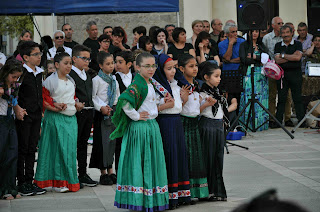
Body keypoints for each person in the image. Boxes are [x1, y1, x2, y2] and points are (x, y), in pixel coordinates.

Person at [110, 52, 169, 211]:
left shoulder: (149, 83)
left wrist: (162, 101)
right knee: (140, 162)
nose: (151, 69)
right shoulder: (138, 84)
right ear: (137, 67)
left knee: (149, 161)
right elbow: (124, 101)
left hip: (150, 126)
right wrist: (135, 116)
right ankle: (140, 200)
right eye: (147, 66)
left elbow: (149, 103)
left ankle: (147, 199)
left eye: (153, 66)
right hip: (140, 129)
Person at [34, 49, 82, 193]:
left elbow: (72, 98)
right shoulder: (50, 81)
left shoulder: (71, 80)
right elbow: (44, 100)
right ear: (56, 64)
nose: (68, 66)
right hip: (56, 119)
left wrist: (77, 103)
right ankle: (58, 182)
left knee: (69, 150)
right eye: (65, 63)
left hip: (71, 119)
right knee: (57, 150)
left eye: (70, 63)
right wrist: (55, 107)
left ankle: (67, 180)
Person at [153, 54, 191, 209]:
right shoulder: (156, 87)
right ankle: (169, 196)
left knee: (179, 156)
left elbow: (177, 106)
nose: (173, 71)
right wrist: (163, 106)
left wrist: (185, 99)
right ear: (161, 70)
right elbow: (151, 109)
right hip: (165, 124)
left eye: (174, 68)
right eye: (169, 69)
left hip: (176, 123)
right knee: (169, 156)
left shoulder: (175, 85)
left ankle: (180, 194)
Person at [16, 41, 47, 196]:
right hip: (24, 116)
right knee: (23, 148)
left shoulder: (39, 72)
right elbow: (16, 93)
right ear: (26, 57)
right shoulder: (21, 73)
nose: (39, 57)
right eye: (36, 54)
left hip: (36, 115)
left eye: (40, 54)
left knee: (32, 148)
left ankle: (30, 180)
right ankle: (21, 182)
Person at [178, 54, 209, 201]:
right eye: (191, 66)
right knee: (187, 157)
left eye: (196, 65)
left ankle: (199, 191)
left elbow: (196, 109)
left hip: (195, 124)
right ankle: (186, 191)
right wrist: (183, 100)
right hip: (184, 124)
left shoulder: (197, 85)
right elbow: (178, 108)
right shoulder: (180, 86)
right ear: (182, 69)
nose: (195, 68)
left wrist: (206, 105)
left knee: (197, 157)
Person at [199, 62, 228, 202]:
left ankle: (218, 190)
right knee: (209, 159)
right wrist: (205, 103)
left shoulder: (217, 92)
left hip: (218, 127)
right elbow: (195, 111)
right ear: (206, 77)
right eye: (216, 76)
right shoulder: (201, 93)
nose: (219, 79)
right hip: (207, 126)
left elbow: (221, 111)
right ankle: (208, 190)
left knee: (218, 158)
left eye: (219, 76)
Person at [69, 45, 98, 187]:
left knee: (83, 143)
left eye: (88, 58)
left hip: (88, 111)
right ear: (74, 59)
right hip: (76, 113)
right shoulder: (70, 74)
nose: (87, 61)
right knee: (74, 143)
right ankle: (72, 174)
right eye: (83, 58)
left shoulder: (87, 74)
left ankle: (82, 173)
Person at [89, 51, 120, 185]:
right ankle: (103, 172)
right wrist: (102, 107)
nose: (111, 66)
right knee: (103, 143)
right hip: (102, 114)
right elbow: (93, 96)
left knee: (112, 142)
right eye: (108, 64)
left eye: (112, 63)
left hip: (113, 113)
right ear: (101, 65)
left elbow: (117, 95)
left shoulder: (114, 79)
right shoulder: (96, 80)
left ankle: (111, 170)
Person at [0, 59, 26, 200]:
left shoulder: (14, 86)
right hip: (1, 120)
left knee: (12, 153)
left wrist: (19, 111)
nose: (15, 80)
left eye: (17, 77)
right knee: (2, 154)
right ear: (6, 74)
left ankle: (10, 187)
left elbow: (14, 101)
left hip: (9, 121)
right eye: (13, 76)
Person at [262, 16, 293, 128]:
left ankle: (288, 118)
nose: (281, 25)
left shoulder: (285, 37)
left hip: (285, 69)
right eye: (279, 23)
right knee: (272, 95)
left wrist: (283, 58)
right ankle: (272, 118)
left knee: (287, 95)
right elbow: (264, 54)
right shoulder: (266, 38)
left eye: (282, 23)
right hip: (272, 70)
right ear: (273, 26)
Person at [274, 25, 305, 128]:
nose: (285, 35)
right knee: (281, 99)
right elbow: (277, 61)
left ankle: (301, 122)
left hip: (296, 75)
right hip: (282, 76)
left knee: (297, 99)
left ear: (292, 33)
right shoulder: (278, 45)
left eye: (287, 32)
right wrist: (292, 56)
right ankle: (278, 122)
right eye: (283, 33)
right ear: (280, 34)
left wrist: (283, 56)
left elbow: (298, 58)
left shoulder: (298, 44)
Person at [239, 30, 269, 131]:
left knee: (261, 97)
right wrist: (259, 59)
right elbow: (244, 59)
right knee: (248, 97)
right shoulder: (243, 45)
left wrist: (255, 56)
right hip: (248, 73)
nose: (255, 33)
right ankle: (248, 124)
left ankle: (260, 124)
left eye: (257, 31)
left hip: (261, 75)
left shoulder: (261, 45)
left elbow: (266, 59)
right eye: (252, 31)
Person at [114, 51, 135, 172]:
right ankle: (119, 171)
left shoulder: (136, 78)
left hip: (134, 115)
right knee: (120, 144)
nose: (117, 64)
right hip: (121, 115)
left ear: (129, 64)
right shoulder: (114, 78)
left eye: (120, 62)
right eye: (116, 62)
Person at [218, 23, 245, 106]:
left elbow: (242, 59)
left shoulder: (242, 42)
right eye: (233, 32)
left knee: (240, 98)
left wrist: (229, 60)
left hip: (240, 72)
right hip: (228, 74)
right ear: (227, 34)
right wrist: (230, 44)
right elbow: (227, 57)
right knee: (229, 98)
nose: (235, 34)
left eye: (236, 31)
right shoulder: (221, 44)